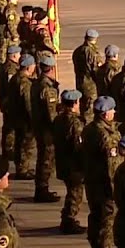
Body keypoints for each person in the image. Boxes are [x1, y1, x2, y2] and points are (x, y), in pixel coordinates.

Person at [81, 96, 121, 248]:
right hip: (104, 183)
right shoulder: (106, 136)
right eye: (112, 110)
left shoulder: (89, 129)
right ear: (105, 114)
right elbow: (111, 165)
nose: (114, 113)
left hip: (91, 180)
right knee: (106, 217)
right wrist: (115, 188)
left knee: (95, 215)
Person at [53, 89, 86, 234]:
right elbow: (78, 146)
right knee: (75, 193)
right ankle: (68, 219)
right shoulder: (75, 123)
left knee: (71, 191)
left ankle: (67, 218)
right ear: (75, 103)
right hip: (73, 164)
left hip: (62, 160)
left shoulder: (59, 119)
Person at [31, 55, 61, 203]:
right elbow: (51, 114)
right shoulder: (47, 88)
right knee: (46, 160)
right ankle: (42, 189)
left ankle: (41, 188)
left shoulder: (36, 83)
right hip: (46, 130)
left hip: (38, 125)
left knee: (43, 157)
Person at [11, 53, 38, 181]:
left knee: (19, 142)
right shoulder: (25, 83)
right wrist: (33, 118)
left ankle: (21, 167)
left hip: (15, 115)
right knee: (25, 145)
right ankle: (23, 169)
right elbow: (28, 103)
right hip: (24, 119)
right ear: (28, 67)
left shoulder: (15, 78)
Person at [71, 29, 102, 119]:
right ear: (95, 39)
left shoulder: (77, 51)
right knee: (89, 111)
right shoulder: (93, 53)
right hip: (90, 85)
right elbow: (97, 71)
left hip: (80, 82)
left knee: (82, 106)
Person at [0, 45, 22, 163]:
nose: (20, 56)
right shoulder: (11, 69)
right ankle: (8, 150)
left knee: (9, 126)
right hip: (9, 102)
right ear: (13, 56)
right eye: (18, 54)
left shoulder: (6, 66)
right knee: (10, 128)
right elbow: (10, 86)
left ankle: (8, 150)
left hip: (6, 102)